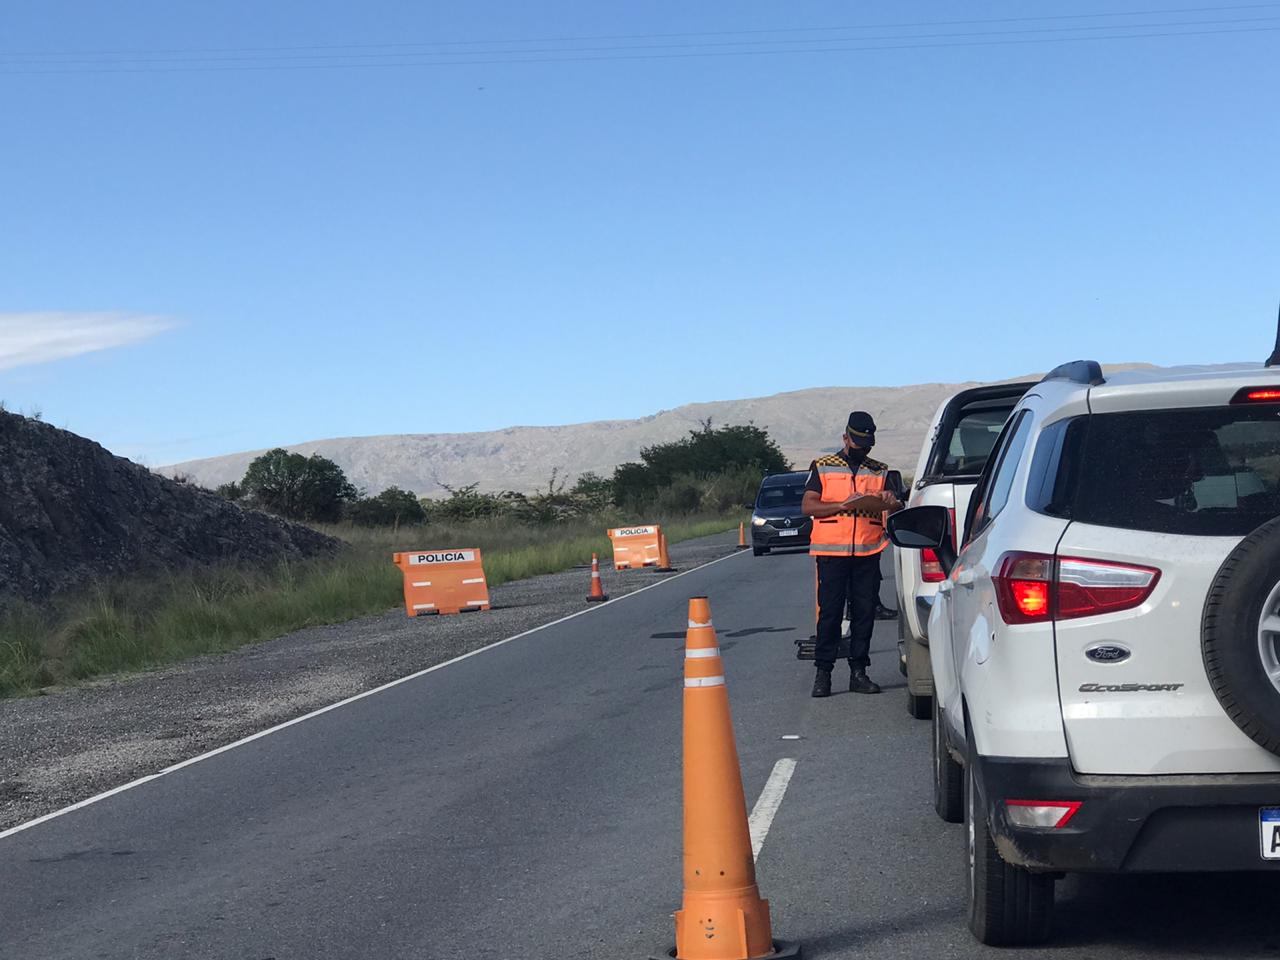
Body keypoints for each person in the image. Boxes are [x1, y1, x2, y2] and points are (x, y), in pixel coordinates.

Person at [802, 411, 903, 698]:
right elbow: (808, 507)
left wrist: (889, 502)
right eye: (858, 443)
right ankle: (824, 673)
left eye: (867, 444)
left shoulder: (879, 470)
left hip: (868, 550)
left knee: (864, 614)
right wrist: (841, 506)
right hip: (831, 551)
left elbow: (893, 507)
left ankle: (859, 672)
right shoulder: (822, 466)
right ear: (845, 437)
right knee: (830, 615)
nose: (863, 449)